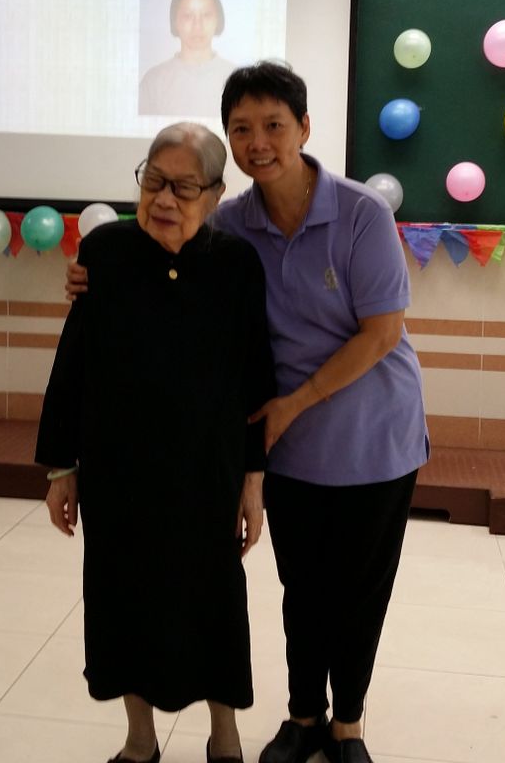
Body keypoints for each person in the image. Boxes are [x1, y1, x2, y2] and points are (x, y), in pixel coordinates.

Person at [67, 63, 430, 763]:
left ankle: (348, 725)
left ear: (304, 128)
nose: (258, 142)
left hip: (371, 435)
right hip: (285, 441)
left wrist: (293, 403)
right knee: (302, 590)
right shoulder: (231, 223)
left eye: (273, 126)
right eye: (241, 128)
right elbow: (161, 256)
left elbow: (382, 333)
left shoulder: (362, 213)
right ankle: (303, 716)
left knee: (359, 591)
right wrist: (92, 274)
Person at [38, 122, 275, 763]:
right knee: (121, 599)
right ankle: (140, 739)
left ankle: (225, 736)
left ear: (216, 194)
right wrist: (60, 466)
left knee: (214, 600)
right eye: (153, 181)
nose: (164, 199)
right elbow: (74, 361)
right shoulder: (106, 251)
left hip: (208, 471)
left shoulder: (236, 264)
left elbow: (256, 378)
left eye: (183, 187)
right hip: (118, 471)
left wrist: (253, 478)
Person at [138, 0, 235, 117]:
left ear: (218, 19)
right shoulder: (153, 81)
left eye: (206, 15)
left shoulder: (235, 79)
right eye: (188, 16)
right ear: (175, 21)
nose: (197, 25)